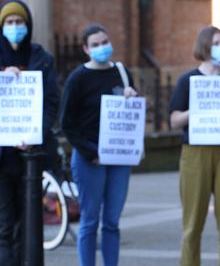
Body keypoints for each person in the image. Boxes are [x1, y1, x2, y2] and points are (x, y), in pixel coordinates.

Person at [0, 0, 59, 266]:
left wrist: (35, 134)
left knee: (28, 227)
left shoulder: (42, 60)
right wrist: (4, 82)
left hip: (29, 156)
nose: (15, 26)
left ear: (27, 25)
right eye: (9, 22)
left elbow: (52, 104)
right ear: (1, 26)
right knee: (3, 229)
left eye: (19, 22)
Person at [169, 26, 220, 266]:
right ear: (204, 45)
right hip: (196, 152)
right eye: (216, 42)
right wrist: (196, 110)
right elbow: (174, 120)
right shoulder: (188, 81)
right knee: (192, 224)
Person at [60, 23, 137, 266]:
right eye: (96, 44)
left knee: (112, 221)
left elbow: (132, 115)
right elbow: (67, 124)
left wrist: (132, 98)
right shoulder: (78, 78)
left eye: (105, 42)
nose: (102, 47)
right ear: (86, 49)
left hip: (119, 156)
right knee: (90, 220)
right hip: (89, 158)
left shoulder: (122, 73)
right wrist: (90, 152)